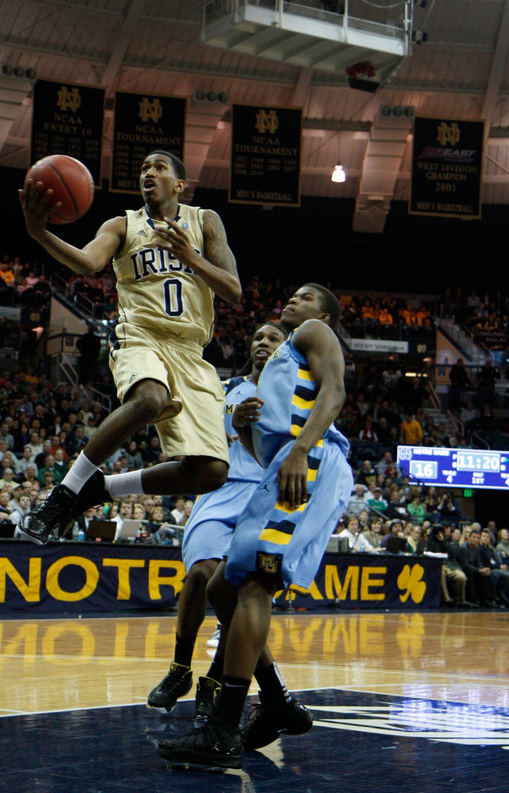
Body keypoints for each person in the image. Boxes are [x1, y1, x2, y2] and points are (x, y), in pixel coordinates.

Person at [157, 283, 352, 770]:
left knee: (255, 588)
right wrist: (244, 428)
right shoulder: (273, 370)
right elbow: (265, 450)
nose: (294, 299)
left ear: (324, 314)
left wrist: (303, 449)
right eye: (294, 294)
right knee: (223, 589)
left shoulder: (313, 333)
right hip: (280, 466)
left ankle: (221, 730)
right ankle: (278, 702)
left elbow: (336, 391)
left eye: (306, 295)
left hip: (308, 462)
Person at [17, 150, 241, 544]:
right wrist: (40, 233)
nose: (149, 173)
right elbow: (87, 263)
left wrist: (190, 256)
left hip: (191, 351)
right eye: (143, 167)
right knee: (151, 399)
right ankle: (64, 494)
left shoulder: (204, 221)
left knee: (211, 472)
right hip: (141, 335)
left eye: (159, 167)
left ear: (180, 184)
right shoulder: (122, 225)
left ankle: (101, 488)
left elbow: (233, 290)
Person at [148, 322, 312, 745]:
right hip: (219, 489)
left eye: (273, 338)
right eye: (257, 336)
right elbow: (195, 436)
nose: (263, 341)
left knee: (235, 597)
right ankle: (181, 669)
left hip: (262, 498)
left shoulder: (300, 393)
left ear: (288, 350)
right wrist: (230, 422)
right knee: (202, 573)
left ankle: (215, 684)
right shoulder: (228, 387)